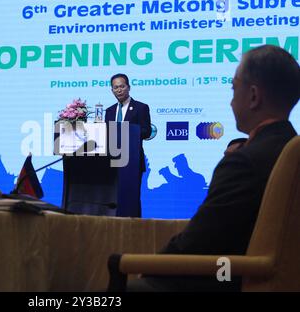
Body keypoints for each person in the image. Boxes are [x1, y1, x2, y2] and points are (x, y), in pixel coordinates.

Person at [127, 44, 300, 291]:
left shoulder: (244, 162)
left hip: (225, 279)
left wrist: (144, 266)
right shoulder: (289, 151)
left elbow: (196, 243)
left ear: (253, 96)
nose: (230, 102)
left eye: (233, 88)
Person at [105, 73, 151, 218]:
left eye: (122, 86)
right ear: (112, 90)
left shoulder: (141, 107)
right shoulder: (109, 111)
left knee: (131, 199)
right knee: (113, 198)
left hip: (132, 161)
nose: (119, 90)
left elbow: (147, 131)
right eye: (115, 87)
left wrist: (127, 130)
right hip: (112, 161)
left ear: (128, 87)